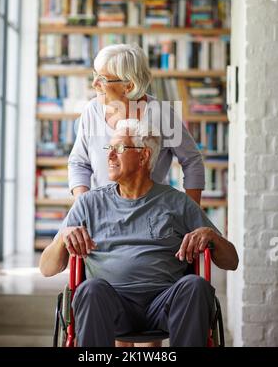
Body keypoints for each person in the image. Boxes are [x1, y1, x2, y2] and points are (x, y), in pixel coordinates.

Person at [40, 124, 238, 347]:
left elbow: (232, 261)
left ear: (144, 156)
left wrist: (212, 235)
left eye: (120, 148)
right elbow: (47, 268)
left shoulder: (177, 202)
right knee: (90, 289)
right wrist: (63, 237)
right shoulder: (88, 204)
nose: (110, 155)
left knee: (195, 285)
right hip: (111, 305)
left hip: (164, 305)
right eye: (109, 148)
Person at [68, 43, 205, 347]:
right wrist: (83, 207)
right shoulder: (92, 110)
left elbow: (192, 162)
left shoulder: (161, 114)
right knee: (112, 298)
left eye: (103, 78)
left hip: (152, 214)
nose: (95, 84)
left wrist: (189, 215)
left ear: (128, 85)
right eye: (96, 76)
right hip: (103, 216)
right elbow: (78, 162)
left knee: (150, 292)